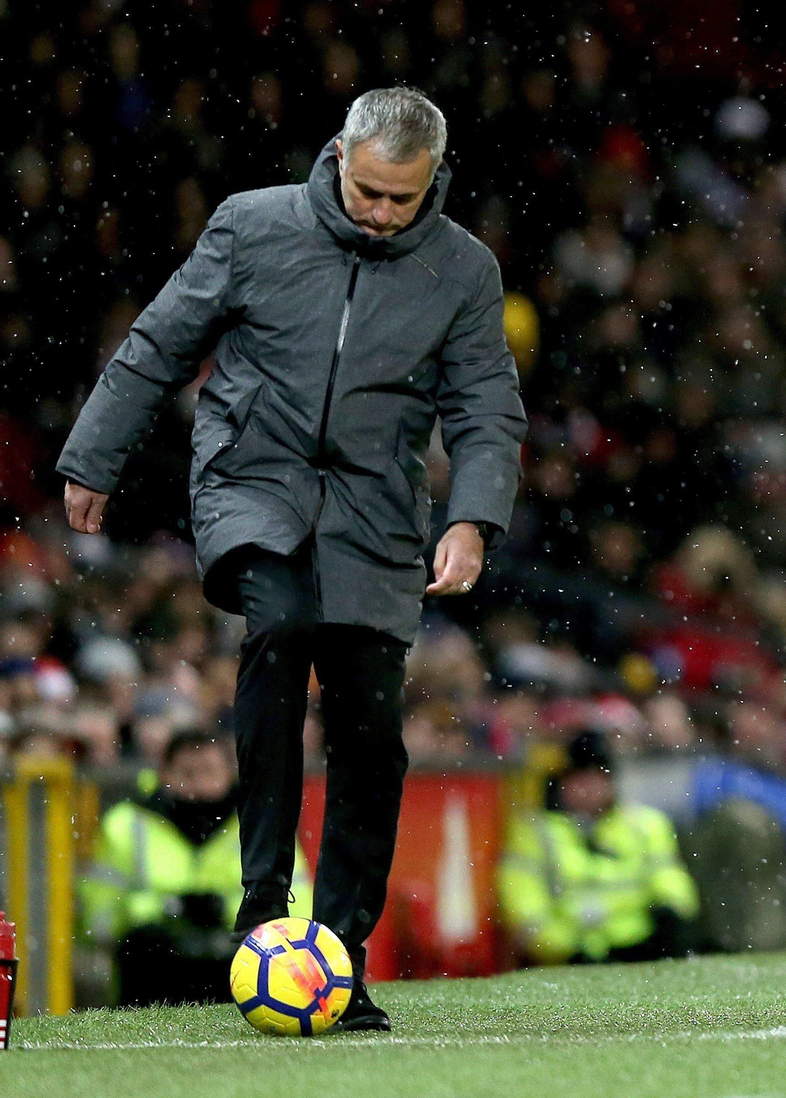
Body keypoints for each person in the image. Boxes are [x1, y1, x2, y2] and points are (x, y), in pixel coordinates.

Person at [58, 88, 528, 1030]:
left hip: (375, 505)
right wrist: (92, 459)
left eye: (403, 199)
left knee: (368, 724)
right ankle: (264, 911)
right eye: (367, 192)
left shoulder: (464, 269)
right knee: (279, 626)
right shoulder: (253, 225)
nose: (382, 214)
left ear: (434, 179)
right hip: (252, 477)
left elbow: (486, 408)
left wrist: (472, 519)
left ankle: (341, 956)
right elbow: (160, 343)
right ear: (340, 156)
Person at [80, 728, 311, 1007]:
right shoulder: (124, 826)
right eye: (187, 773)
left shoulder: (263, 826)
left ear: (230, 773)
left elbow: (296, 914)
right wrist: (167, 910)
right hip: (153, 970)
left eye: (209, 771)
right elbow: (98, 920)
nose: (199, 783)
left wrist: (223, 911)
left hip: (242, 965)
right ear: (164, 774)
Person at [498, 730, 699, 964]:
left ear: (611, 782)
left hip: (641, 947)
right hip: (571, 957)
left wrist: (672, 915)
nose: (588, 787)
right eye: (579, 779)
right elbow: (524, 906)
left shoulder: (646, 824)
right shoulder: (535, 833)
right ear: (562, 784)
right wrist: (566, 949)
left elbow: (670, 879)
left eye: (597, 778)